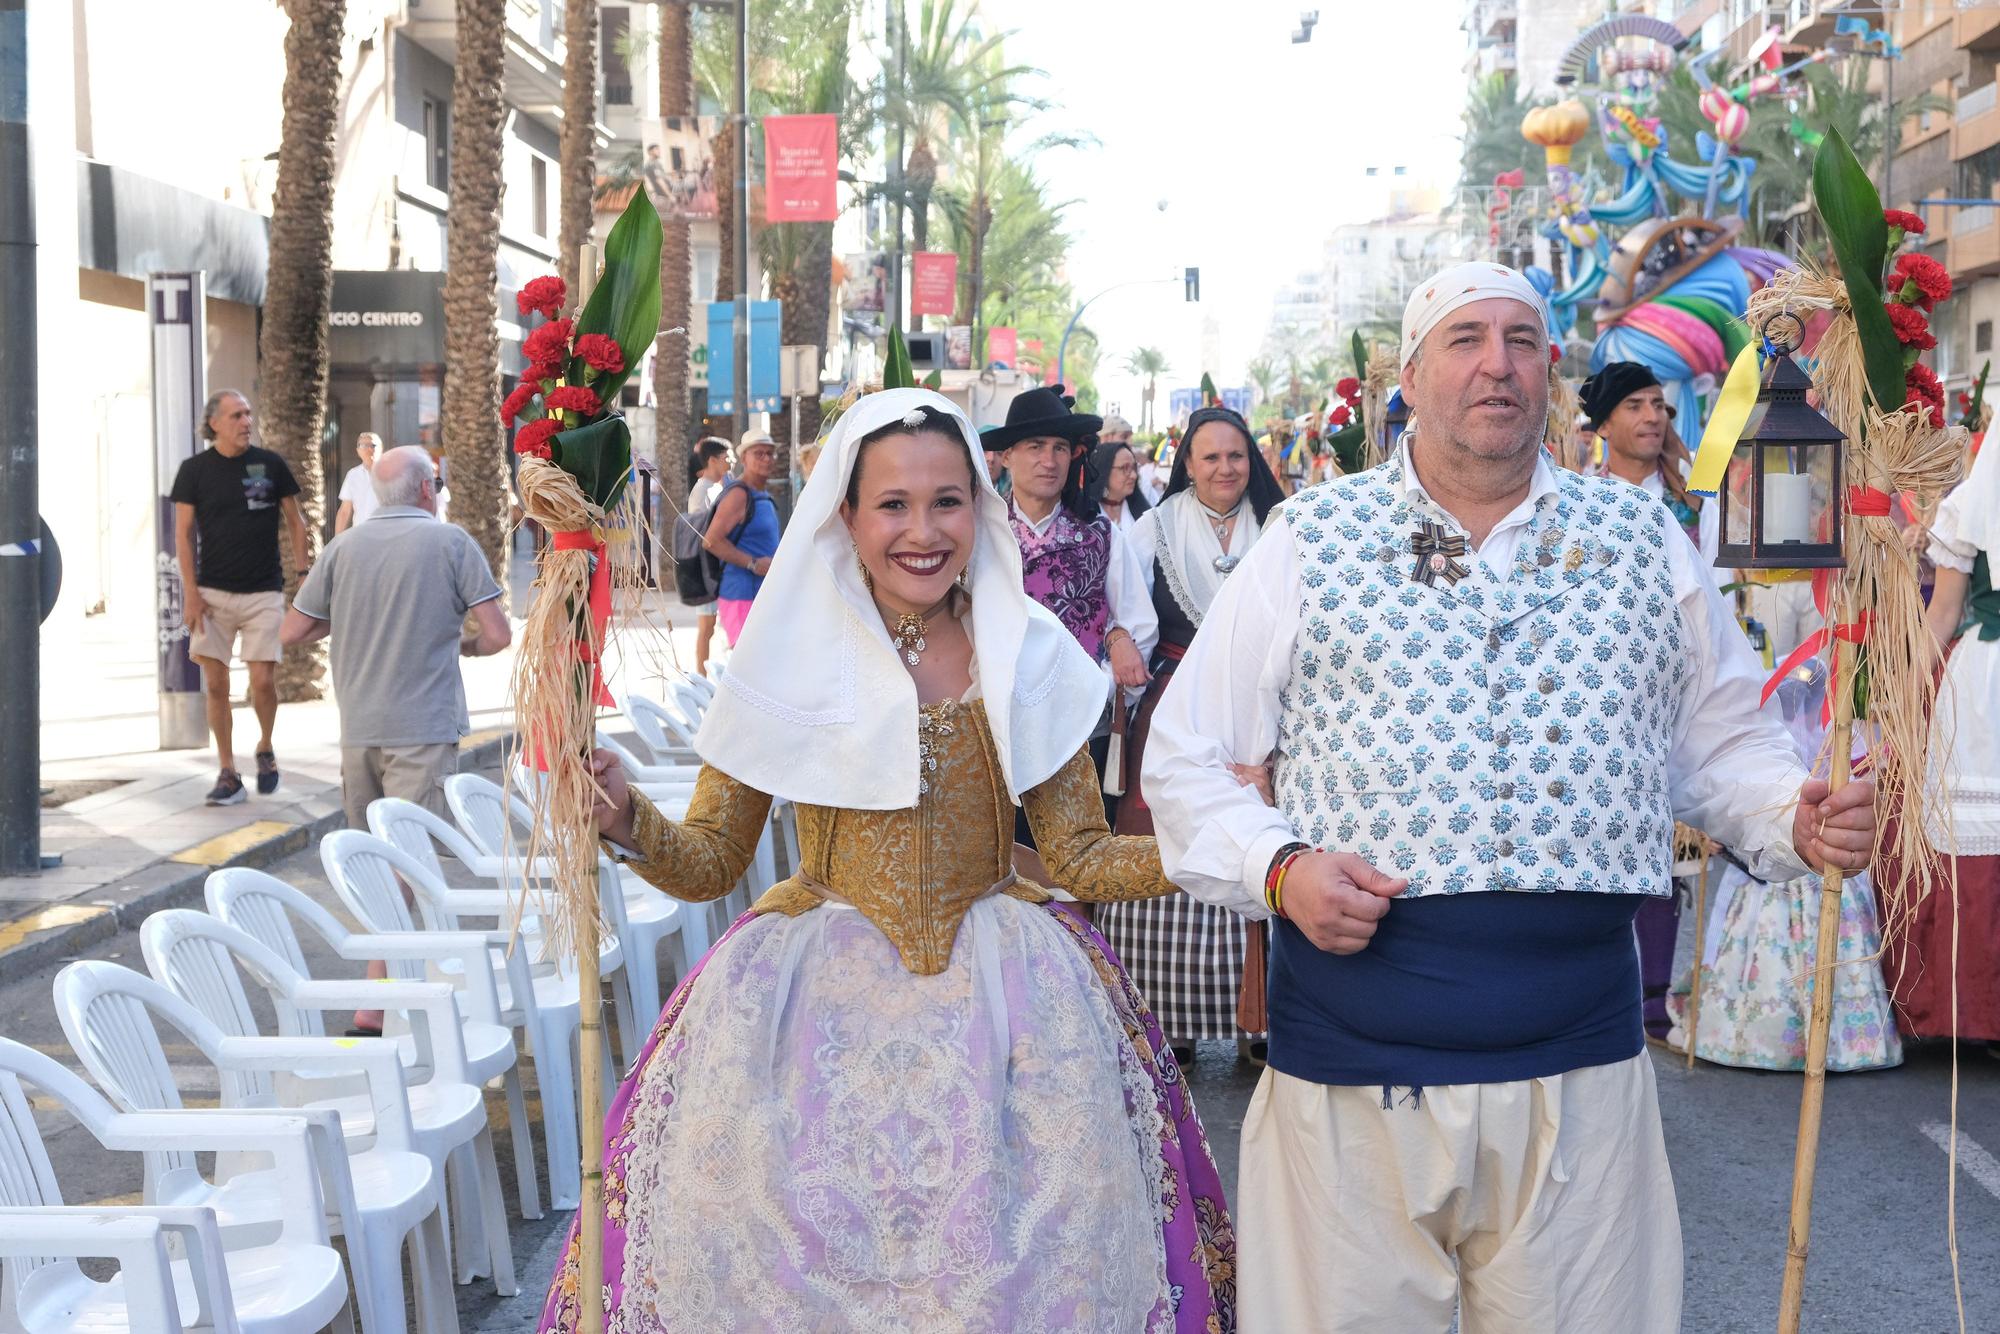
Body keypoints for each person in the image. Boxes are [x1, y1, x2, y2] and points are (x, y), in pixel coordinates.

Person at [1142, 261, 1877, 1333]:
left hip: (1578, 1075)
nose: (1498, 365)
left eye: (1523, 341)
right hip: (1352, 1077)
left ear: (1549, 371)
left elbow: (1720, 740)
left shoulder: (1636, 537)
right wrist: (1280, 865)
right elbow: (1185, 758)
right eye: (1465, 339)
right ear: (1410, 372)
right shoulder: (1310, 538)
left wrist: (1789, 813)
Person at [535, 389, 1237, 1332]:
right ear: (848, 517)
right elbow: (709, 862)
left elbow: (1079, 855)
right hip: (806, 1026)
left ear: (977, 509)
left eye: (946, 501)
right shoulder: (784, 659)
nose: (922, 530)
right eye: (893, 505)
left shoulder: (1030, 655)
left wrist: (1221, 844)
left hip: (1016, 1022)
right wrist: (624, 819)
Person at [280, 446, 510, 1034]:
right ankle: (376, 1001)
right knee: (405, 863)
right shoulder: (451, 544)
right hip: (422, 726)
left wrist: (359, 616)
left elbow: (294, 630)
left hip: (358, 727)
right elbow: (498, 636)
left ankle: (386, 990)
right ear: (429, 489)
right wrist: (453, 641)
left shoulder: (344, 547)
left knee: (375, 862)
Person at [1101, 405, 1284, 1069]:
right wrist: (1122, 645)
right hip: (1176, 699)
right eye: (1210, 457)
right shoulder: (1153, 530)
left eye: (1235, 455)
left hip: (1262, 706)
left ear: (1251, 459)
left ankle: (1259, 1017)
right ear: (1187, 464)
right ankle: (1165, 1017)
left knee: (1262, 836)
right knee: (1163, 835)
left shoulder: (1282, 527)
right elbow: (1129, 618)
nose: (1225, 468)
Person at [1876, 436, 2000, 1042]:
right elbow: (1943, 612)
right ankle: (1973, 1010)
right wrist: (1901, 695)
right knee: (1961, 840)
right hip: (1982, 684)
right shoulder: (1971, 504)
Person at [985, 386, 1157, 822]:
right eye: (1035, 446)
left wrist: (1098, 683)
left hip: (1082, 728)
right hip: (999, 727)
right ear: (1006, 456)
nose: (1049, 460)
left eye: (1060, 447)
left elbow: (1138, 619)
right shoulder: (982, 535)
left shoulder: (1099, 532)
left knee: (1079, 857)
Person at [171, 389, 310, 806]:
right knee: (215, 685)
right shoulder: (194, 471)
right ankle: (228, 772)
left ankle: (265, 748)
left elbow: (296, 521)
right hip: (212, 593)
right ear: (214, 423)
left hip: (263, 590)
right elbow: (182, 534)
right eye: (236, 415)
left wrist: (303, 575)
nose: (246, 421)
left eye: (249, 413)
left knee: (263, 681)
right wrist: (190, 594)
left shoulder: (269, 465)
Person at [1579, 362, 1718, 563]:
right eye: (1634, 406)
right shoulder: (1582, 505)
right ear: (1604, 427)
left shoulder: (1698, 510)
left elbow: (1718, 591)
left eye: (1658, 405)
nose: (1653, 417)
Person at [702, 428, 780, 647]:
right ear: (744, 458)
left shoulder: (760, 493)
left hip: (759, 596)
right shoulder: (739, 494)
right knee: (745, 669)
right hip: (741, 594)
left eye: (769, 453)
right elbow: (711, 540)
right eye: (759, 453)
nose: (766, 459)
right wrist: (753, 563)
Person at [686, 436, 732, 676]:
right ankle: (700, 677)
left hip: (718, 567)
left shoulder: (718, 487)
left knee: (713, 626)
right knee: (706, 627)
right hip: (707, 568)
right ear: (712, 460)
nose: (729, 463)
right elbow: (701, 531)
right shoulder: (701, 490)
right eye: (726, 458)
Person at [1082, 438, 1150, 535]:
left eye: (1134, 467)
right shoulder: (1086, 513)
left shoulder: (1141, 512)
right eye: (1125, 468)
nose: (1133, 475)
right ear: (1105, 470)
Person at [332, 432, 383, 534]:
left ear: (381, 448)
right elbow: (344, 511)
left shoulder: (390, 472)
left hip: (385, 534)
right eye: (363, 445)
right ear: (358, 451)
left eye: (372, 445)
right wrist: (337, 542)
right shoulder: (352, 475)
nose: (368, 449)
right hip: (360, 535)